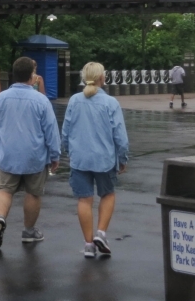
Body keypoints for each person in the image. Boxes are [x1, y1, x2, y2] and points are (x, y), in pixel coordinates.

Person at [0, 57, 61, 249]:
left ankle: (1, 219)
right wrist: (55, 155)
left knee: (4, 189)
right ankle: (29, 231)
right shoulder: (41, 100)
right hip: (34, 156)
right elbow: (50, 130)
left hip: (8, 154)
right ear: (31, 75)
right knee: (33, 193)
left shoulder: (1, 98)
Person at [61, 62, 130, 259]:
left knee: (84, 199)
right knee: (107, 194)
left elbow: (65, 131)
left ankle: (89, 244)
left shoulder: (74, 101)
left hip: (80, 158)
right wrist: (122, 158)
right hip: (104, 159)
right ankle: (101, 233)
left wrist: (67, 151)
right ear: (102, 78)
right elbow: (120, 137)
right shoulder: (110, 103)